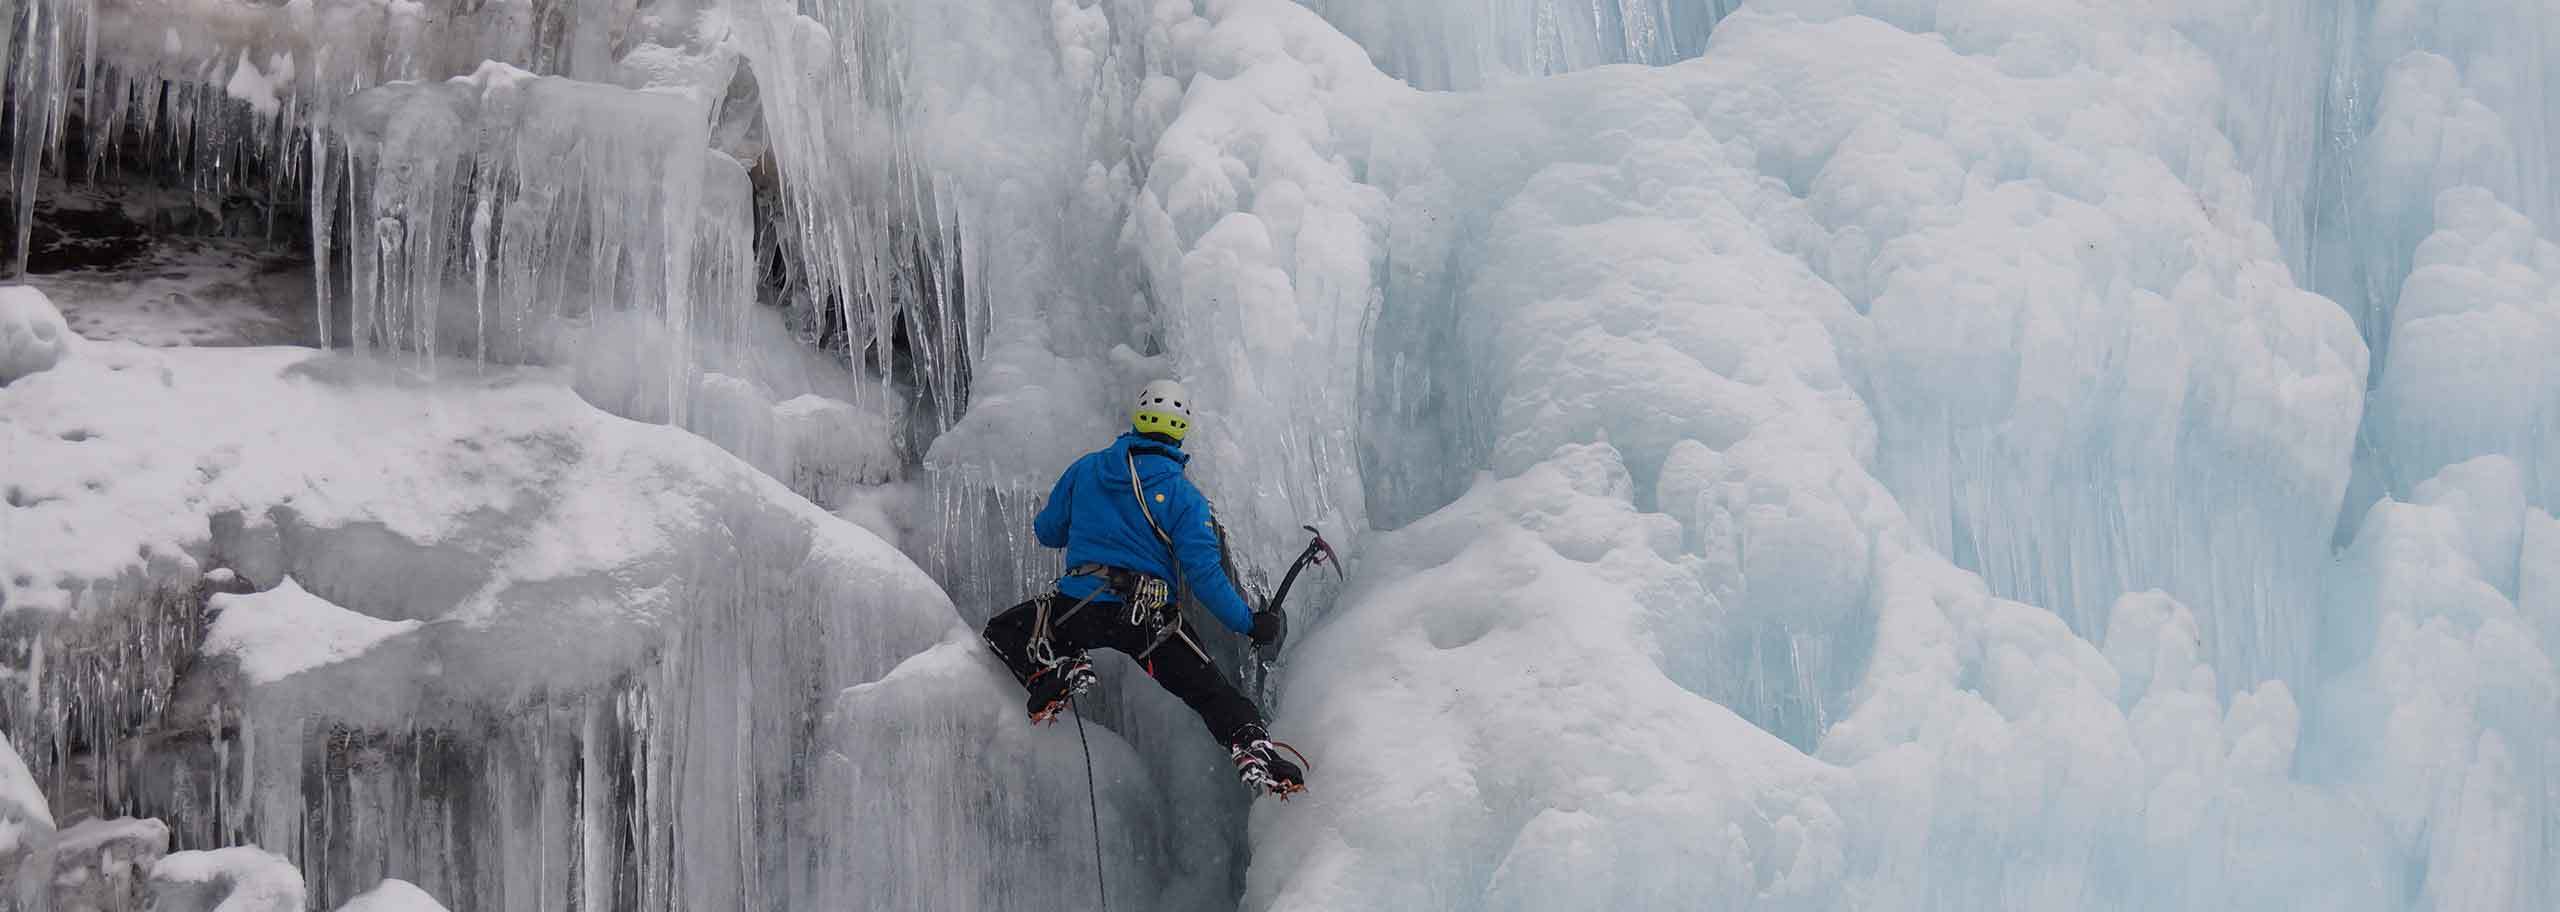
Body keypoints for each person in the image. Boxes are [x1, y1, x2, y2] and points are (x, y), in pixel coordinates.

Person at [980, 379, 1305, 797]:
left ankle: (1056, 668)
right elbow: (1205, 577)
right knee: (1211, 692)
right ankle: (1255, 750)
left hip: (1079, 609)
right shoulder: (1184, 498)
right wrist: (1249, 623)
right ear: (1182, 430)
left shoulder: (1086, 469)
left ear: (1137, 416)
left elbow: (1046, 532)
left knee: (1005, 630)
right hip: (1147, 623)